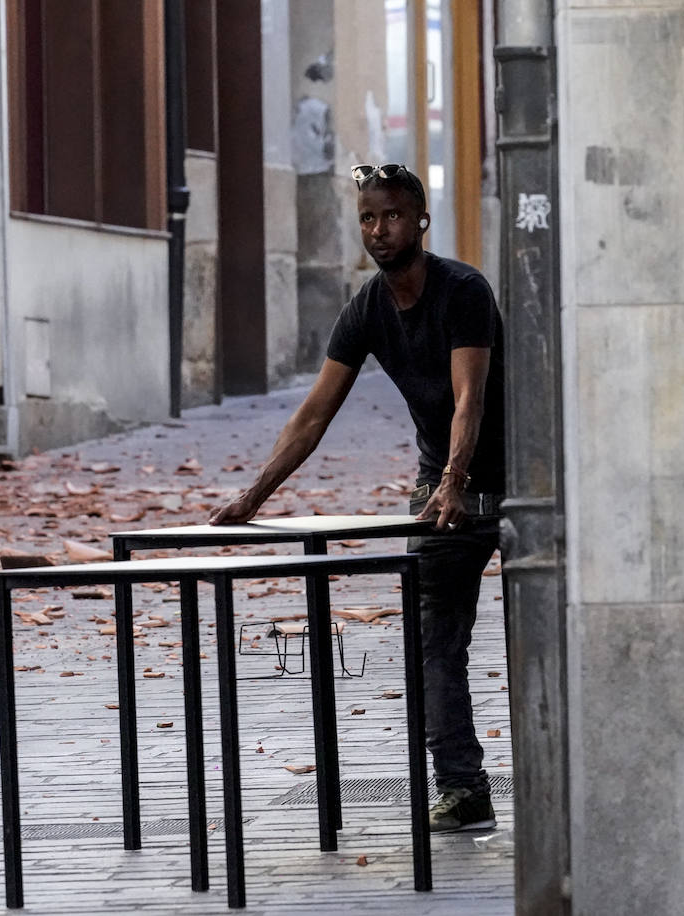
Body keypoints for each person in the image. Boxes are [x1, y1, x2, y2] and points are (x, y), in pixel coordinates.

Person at [209, 162, 504, 832]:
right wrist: (253, 496)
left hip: (518, 483)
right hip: (441, 485)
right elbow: (313, 415)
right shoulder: (367, 308)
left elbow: (471, 398)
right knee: (435, 641)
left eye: (393, 215)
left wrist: (459, 479)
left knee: (545, 629)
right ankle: (464, 788)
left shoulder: (463, 291)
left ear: (421, 221)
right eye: (368, 217)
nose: (379, 229)